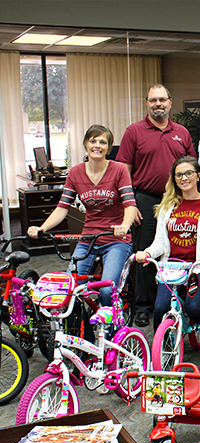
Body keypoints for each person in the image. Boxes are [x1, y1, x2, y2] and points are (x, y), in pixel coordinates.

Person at [27, 124, 137, 312]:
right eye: (93, 141)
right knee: (70, 289)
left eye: (103, 142)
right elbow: (62, 208)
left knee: (105, 290)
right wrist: (42, 228)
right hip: (87, 239)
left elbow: (130, 205)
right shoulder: (75, 172)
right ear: (86, 144)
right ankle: (83, 333)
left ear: (109, 148)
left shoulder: (118, 170)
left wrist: (125, 225)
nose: (97, 145)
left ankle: (111, 335)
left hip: (116, 240)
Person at [116, 84, 196, 327]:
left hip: (178, 200)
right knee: (145, 253)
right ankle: (143, 306)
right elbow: (123, 171)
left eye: (162, 99)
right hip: (145, 200)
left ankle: (180, 300)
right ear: (147, 103)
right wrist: (130, 204)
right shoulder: (134, 132)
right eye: (153, 100)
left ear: (170, 102)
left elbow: (192, 167)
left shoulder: (181, 132)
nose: (158, 104)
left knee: (180, 251)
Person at [134, 156, 200, 352]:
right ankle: (163, 350)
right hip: (172, 267)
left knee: (195, 306)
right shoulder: (168, 205)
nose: (184, 178)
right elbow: (160, 243)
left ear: (198, 175)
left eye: (189, 173)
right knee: (161, 309)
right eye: (179, 175)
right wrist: (147, 253)